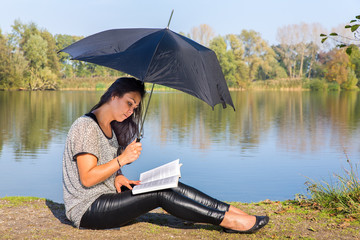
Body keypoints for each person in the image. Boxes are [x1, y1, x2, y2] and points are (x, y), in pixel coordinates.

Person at [62, 77, 269, 233]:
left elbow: (105, 166)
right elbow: (88, 178)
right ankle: (228, 222)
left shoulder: (108, 126)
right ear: (113, 95)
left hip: (106, 197)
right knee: (159, 194)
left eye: (135, 107)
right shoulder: (86, 126)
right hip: (87, 209)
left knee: (168, 183)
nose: (131, 111)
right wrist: (122, 159)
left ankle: (231, 211)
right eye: (129, 102)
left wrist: (118, 175)